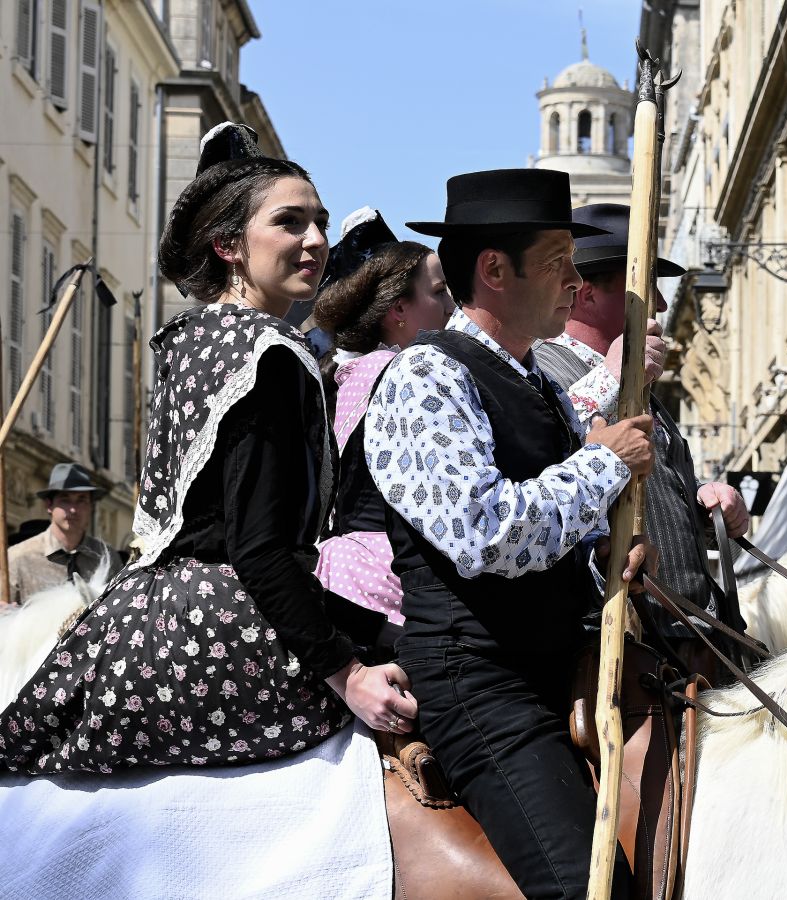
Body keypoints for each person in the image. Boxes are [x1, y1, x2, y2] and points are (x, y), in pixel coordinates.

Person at [0, 123, 416, 775]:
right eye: (289, 223)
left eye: (318, 222)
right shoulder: (268, 355)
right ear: (229, 246)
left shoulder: (193, 337)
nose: (314, 241)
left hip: (143, 610)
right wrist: (348, 674)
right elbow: (259, 549)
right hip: (223, 619)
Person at [365, 169, 657, 900]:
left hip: (554, 667)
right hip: (479, 684)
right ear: (494, 269)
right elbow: (481, 531)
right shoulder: (423, 376)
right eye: (559, 259)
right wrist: (602, 465)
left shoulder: (542, 385)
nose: (574, 279)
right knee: (588, 890)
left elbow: (558, 534)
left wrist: (612, 563)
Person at [534, 203, 750, 677]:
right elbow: (550, 442)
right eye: (645, 287)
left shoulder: (640, 380)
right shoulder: (545, 369)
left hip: (691, 634)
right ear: (586, 294)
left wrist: (704, 501)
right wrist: (611, 377)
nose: (661, 304)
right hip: (622, 642)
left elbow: (653, 488)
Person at [313, 208, 454, 626]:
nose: (451, 305)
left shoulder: (354, 372)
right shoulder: (398, 374)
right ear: (398, 310)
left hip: (345, 568)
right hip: (383, 575)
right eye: (440, 291)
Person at [6, 463, 120, 606]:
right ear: (48, 505)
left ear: (91, 505)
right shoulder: (19, 558)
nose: (73, 509)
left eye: (81, 500)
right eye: (65, 500)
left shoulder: (106, 558)